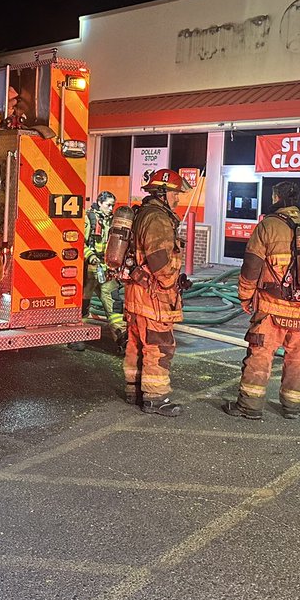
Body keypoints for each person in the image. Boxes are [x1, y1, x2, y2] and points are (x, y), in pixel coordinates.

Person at [224, 181, 300, 420]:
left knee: (261, 356)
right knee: (297, 359)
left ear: (276, 198)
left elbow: (251, 267)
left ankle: (249, 406)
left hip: (272, 309)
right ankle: (293, 407)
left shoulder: (268, 227)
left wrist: (245, 295)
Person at [122, 168, 192, 416]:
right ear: (162, 193)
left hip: (136, 294)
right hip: (153, 296)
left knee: (136, 344)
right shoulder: (159, 219)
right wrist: (171, 282)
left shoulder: (143, 214)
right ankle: (155, 397)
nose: (177, 199)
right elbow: (161, 264)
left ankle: (135, 391)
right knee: (158, 346)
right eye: (175, 194)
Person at [82, 191, 122, 347]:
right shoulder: (88, 219)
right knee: (84, 304)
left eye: (113, 205)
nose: (111, 208)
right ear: (99, 203)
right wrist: (90, 256)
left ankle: (121, 338)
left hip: (106, 269)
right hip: (90, 268)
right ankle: (77, 338)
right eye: (108, 205)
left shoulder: (112, 221)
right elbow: (80, 241)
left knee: (114, 304)